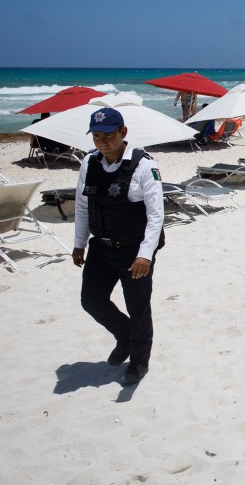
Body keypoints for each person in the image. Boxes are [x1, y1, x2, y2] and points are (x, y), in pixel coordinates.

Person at [72, 108, 165, 385]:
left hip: (134, 250)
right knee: (91, 301)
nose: (102, 142)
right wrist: (79, 243)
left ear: (123, 133)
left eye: (109, 135)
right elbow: (82, 206)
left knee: (138, 307)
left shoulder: (144, 166)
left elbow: (156, 215)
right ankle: (124, 335)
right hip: (100, 246)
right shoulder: (89, 163)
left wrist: (145, 255)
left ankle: (138, 361)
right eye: (97, 136)